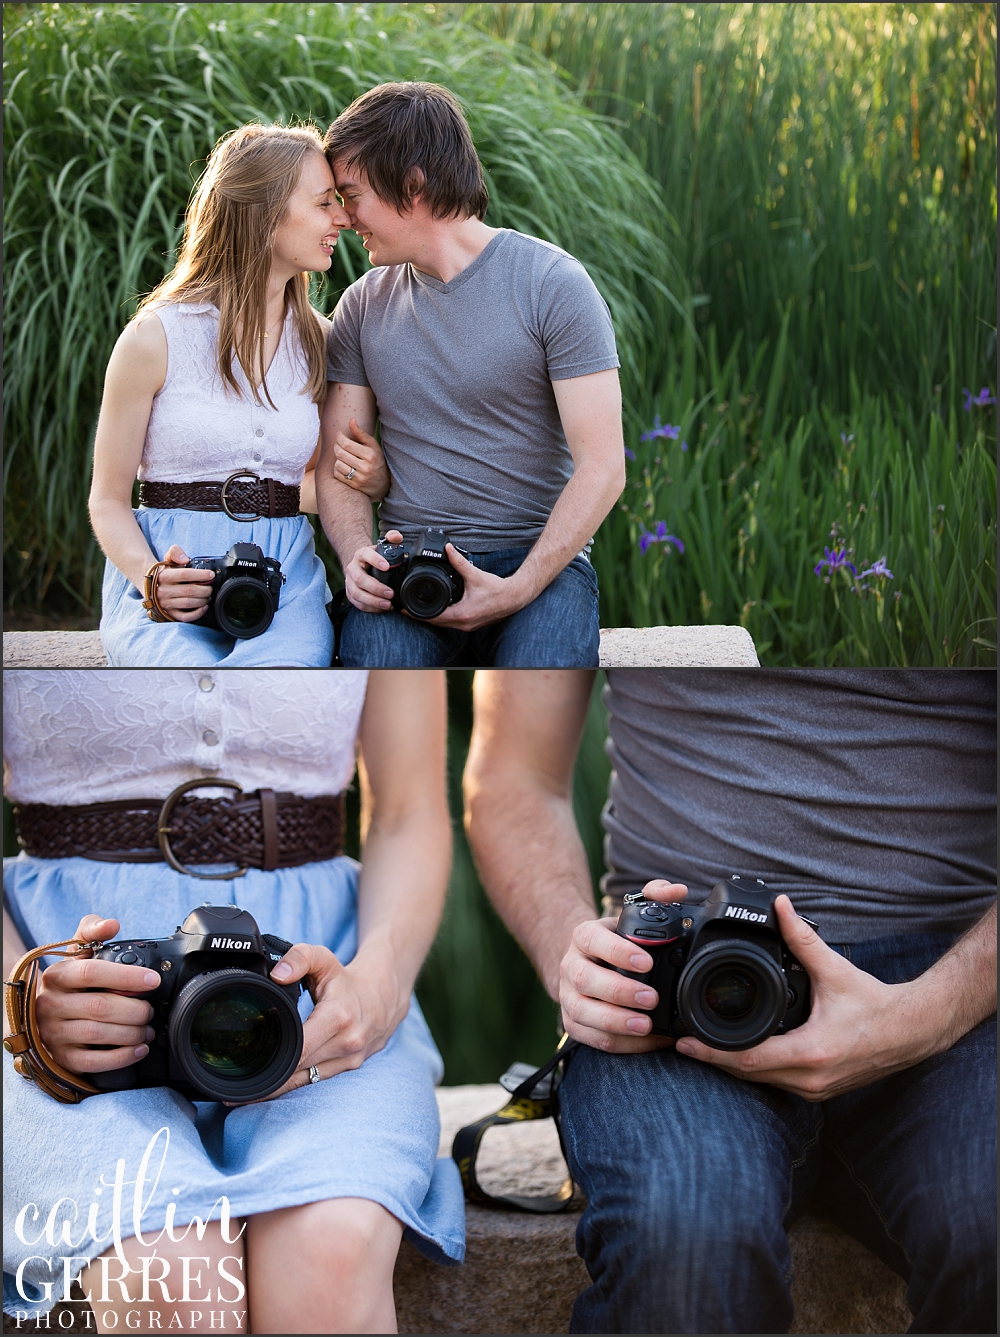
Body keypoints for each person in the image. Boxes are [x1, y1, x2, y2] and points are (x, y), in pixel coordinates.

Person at [463, 669, 997, 1335]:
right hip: (676, 980)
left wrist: (932, 1011)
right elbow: (512, 778)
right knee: (685, 1235)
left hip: (960, 980)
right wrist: (575, 956)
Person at [3, 669, 464, 1335]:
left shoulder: (358, 568)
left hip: (316, 989)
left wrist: (379, 984)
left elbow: (409, 810)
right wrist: (20, 1004)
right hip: (77, 995)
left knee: (331, 1252)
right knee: (168, 1274)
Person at [316, 81, 625, 669]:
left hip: (539, 566)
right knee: (377, 676)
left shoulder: (552, 286)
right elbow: (341, 465)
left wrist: (520, 586)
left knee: (541, 688)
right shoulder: (361, 306)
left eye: (351, 195)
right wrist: (357, 555)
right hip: (408, 565)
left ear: (413, 184)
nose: (344, 217)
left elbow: (604, 466)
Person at [90, 123, 348, 667]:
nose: (342, 218)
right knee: (180, 679)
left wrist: (366, 478)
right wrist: (153, 578)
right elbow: (108, 501)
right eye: (325, 203)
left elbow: (321, 482)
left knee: (284, 679)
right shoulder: (154, 337)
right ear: (265, 211)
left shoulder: (324, 342)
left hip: (285, 581)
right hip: (167, 580)